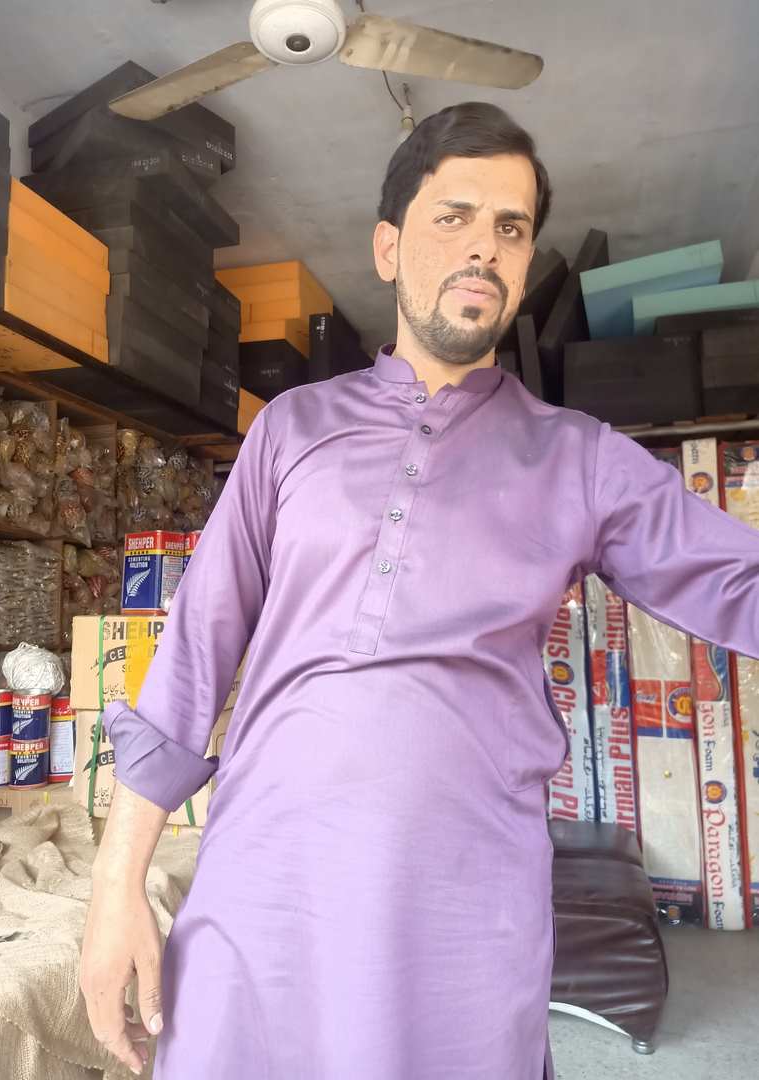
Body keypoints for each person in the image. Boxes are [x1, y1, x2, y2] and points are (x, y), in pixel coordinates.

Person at [80, 102, 759, 1079]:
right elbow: (195, 649)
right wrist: (116, 887)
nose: (485, 246)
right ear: (389, 247)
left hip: (463, 918)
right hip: (262, 890)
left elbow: (736, 578)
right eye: (455, 216)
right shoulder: (291, 430)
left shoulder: (578, 460)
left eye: (511, 228)